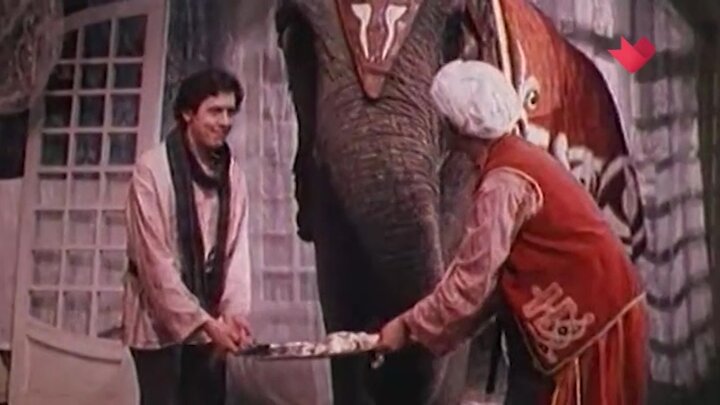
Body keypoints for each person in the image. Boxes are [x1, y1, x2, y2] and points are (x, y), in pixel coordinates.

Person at [375, 60, 648, 405]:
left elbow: (471, 283)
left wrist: (407, 327)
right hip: (599, 303)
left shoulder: (503, 183)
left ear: (457, 128)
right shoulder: (517, 158)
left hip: (591, 316)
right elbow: (487, 284)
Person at [122, 68, 254, 405]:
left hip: (212, 319)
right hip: (157, 322)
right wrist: (204, 324)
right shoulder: (152, 171)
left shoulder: (233, 175)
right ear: (187, 113)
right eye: (215, 111)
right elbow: (155, 265)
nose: (224, 121)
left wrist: (233, 314)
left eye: (230, 112)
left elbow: (236, 253)